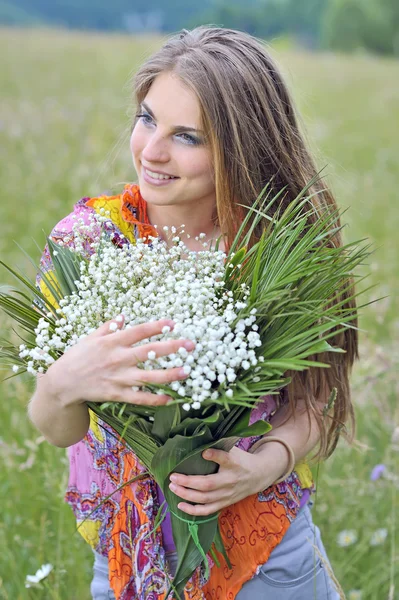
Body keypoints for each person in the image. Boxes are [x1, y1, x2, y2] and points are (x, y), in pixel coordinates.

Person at [29, 26, 357, 600]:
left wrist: (266, 465)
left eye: (187, 136)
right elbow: (58, 428)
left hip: (265, 557)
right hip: (127, 559)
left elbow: (315, 398)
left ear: (241, 147)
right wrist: (62, 384)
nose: (152, 151)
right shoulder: (86, 243)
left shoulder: (280, 250)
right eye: (147, 118)